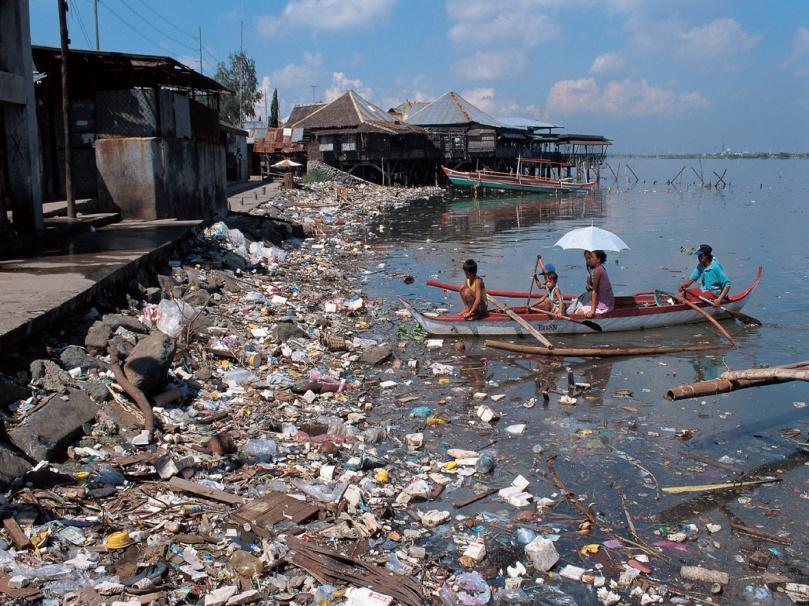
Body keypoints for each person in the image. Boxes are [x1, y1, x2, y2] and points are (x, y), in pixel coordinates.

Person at [569, 249, 614, 317]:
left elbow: (594, 291)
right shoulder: (600, 268)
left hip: (603, 305)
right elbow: (595, 288)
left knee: (578, 313)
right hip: (606, 301)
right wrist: (589, 282)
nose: (588, 260)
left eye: (591, 257)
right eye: (587, 258)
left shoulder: (597, 271)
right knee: (578, 309)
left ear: (598, 259)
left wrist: (592, 311)